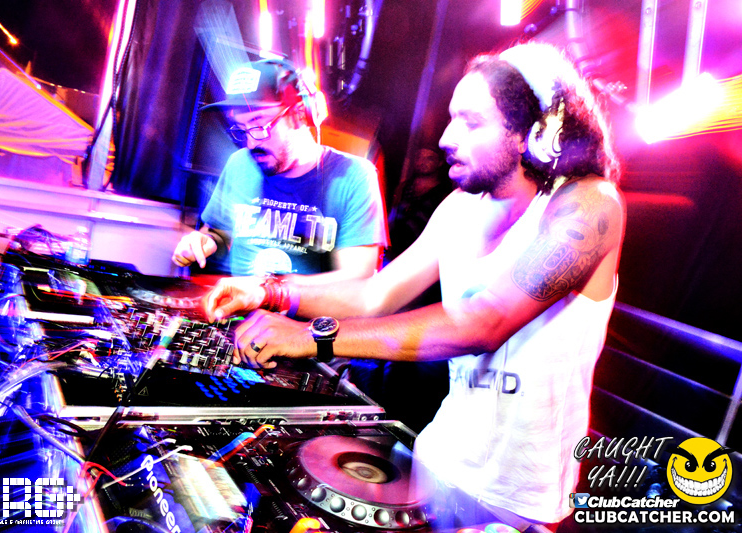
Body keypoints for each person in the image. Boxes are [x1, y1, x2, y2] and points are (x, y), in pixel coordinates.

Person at [203, 42, 624, 528]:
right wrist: (267, 291)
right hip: (433, 460)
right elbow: (375, 295)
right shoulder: (460, 208)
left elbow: (483, 323)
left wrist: (310, 337)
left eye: (471, 122)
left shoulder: (590, 204)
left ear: (534, 131)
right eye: (450, 119)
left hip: (516, 501)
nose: (446, 137)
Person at [172, 59, 388, 282]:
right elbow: (219, 232)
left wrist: (273, 293)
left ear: (299, 115)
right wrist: (205, 242)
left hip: (302, 308)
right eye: (242, 129)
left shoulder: (355, 177)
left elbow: (357, 280)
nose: (251, 144)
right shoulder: (240, 164)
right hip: (240, 304)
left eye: (259, 125)